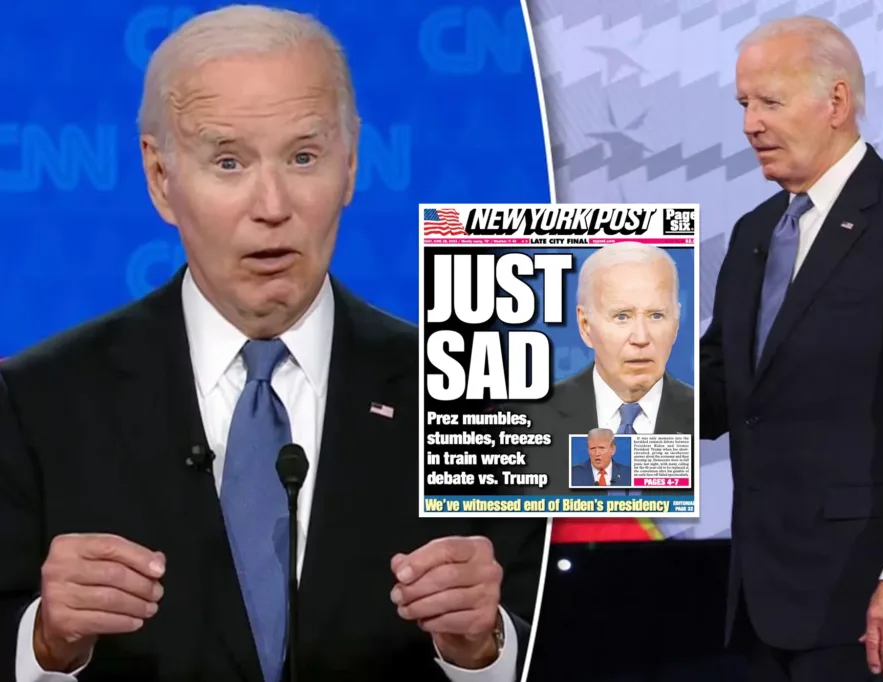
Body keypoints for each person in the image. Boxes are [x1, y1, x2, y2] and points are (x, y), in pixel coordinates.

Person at [0, 6, 544, 681]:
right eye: (228, 161)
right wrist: (47, 642)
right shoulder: (35, 402)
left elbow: (561, 638)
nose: (272, 205)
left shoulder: (472, 399)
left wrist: (482, 649)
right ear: (161, 177)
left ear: (350, 165)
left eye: (304, 156)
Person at [701, 15, 883, 682]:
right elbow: (721, 394)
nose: (750, 125)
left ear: (835, 102)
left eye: (769, 102)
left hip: (865, 602)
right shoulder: (753, 233)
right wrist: (588, 385)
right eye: (744, 104)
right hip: (763, 595)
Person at [517, 242, 694, 496]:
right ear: (585, 325)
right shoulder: (528, 423)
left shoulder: (704, 418)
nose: (641, 337)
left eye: (656, 315)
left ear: (676, 322)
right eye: (622, 316)